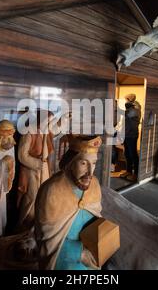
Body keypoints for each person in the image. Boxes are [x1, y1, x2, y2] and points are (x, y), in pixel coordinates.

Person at [35, 135, 103, 270]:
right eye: (83, 163)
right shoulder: (52, 190)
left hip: (91, 255)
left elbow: (96, 218)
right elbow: (47, 240)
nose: (90, 172)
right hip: (62, 260)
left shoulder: (94, 184)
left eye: (94, 163)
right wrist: (80, 253)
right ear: (71, 162)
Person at [16, 111, 54, 232]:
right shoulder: (28, 133)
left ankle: (39, 222)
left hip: (44, 169)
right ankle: (25, 222)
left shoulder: (45, 132)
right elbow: (22, 155)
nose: (48, 124)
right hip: (32, 171)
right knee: (32, 197)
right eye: (47, 121)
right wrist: (37, 164)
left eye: (49, 122)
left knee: (44, 195)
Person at [121, 94, 141, 182]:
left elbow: (127, 114)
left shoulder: (136, 108)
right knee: (126, 153)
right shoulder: (130, 108)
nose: (125, 101)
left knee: (133, 154)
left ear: (129, 100)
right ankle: (128, 171)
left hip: (132, 135)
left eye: (126, 100)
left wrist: (126, 106)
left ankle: (136, 174)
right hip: (126, 134)